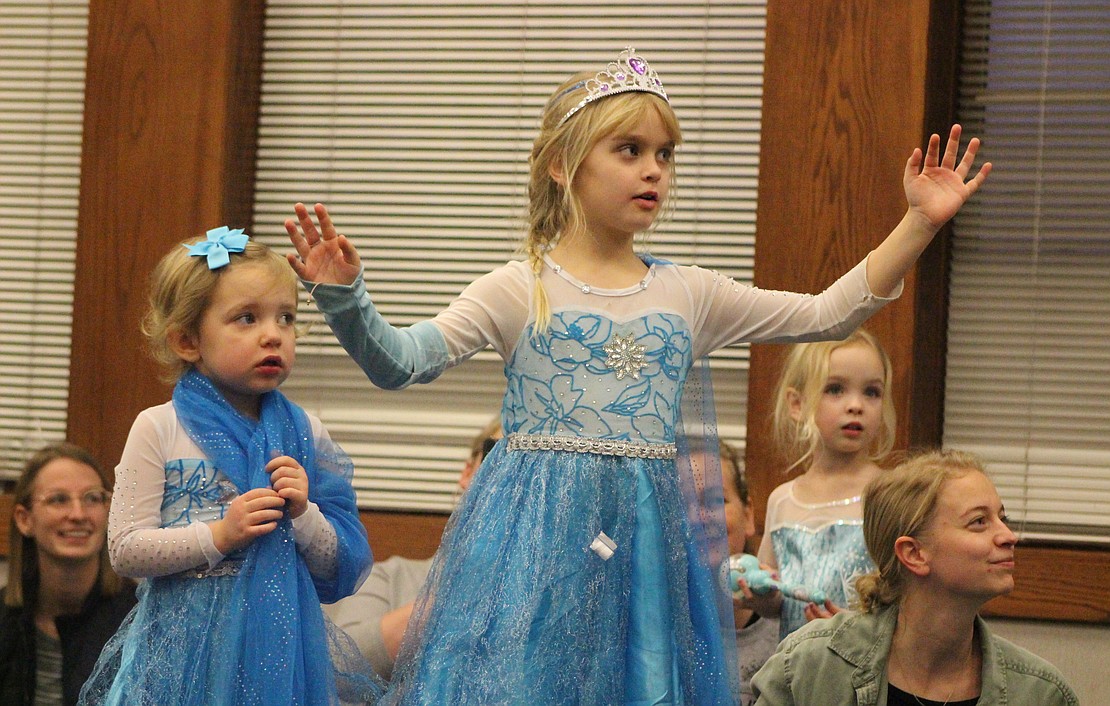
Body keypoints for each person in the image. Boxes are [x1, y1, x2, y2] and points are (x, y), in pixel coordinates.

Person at [284, 46, 990, 704]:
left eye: (664, 154)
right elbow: (400, 363)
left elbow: (829, 314)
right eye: (629, 150)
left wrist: (918, 224)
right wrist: (345, 298)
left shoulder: (686, 293)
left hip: (643, 545)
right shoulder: (516, 286)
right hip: (529, 544)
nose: (654, 170)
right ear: (563, 164)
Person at [77, 229, 377, 706]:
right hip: (182, 653)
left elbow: (339, 566)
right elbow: (125, 550)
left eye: (287, 317)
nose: (273, 333)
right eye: (246, 318)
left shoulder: (306, 432)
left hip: (280, 655)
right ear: (188, 340)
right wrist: (218, 536)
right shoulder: (158, 426)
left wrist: (304, 515)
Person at [750, 449, 1079, 705]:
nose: (1008, 535)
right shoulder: (810, 669)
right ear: (914, 554)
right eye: (979, 522)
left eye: (1002, 517)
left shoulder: (1040, 693)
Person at [323, 416, 503, 681]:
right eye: (497, 457)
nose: (514, 482)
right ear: (468, 473)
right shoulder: (390, 578)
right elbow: (336, 671)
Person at [754, 328, 896, 639]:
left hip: (862, 671)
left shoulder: (891, 495)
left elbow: (910, 599)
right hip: (794, 673)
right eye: (835, 389)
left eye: (871, 392)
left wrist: (861, 624)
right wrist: (760, 593)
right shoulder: (782, 500)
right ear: (797, 404)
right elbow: (775, 603)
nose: (855, 405)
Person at [0, 443, 137, 706]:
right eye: (58, 499)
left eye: (92, 498)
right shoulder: (4, 618)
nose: (78, 514)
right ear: (24, 519)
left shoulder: (138, 620)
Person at [718, 441, 778, 706]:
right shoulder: (651, 634)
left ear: (749, 514)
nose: (700, 516)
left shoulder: (788, 627)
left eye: (716, 500)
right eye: (681, 505)